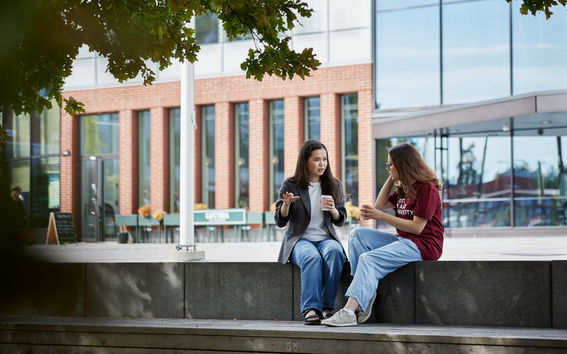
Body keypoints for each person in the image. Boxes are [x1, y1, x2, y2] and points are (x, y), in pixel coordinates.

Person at [322, 143, 443, 327]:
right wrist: (392, 177)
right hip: (405, 240)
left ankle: (349, 310)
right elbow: (380, 204)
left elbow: (418, 228)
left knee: (368, 259)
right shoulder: (405, 188)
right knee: (357, 235)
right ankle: (364, 291)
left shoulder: (426, 189)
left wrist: (381, 216)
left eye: (390, 165)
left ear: (403, 165)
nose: (388, 168)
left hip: (425, 245)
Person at [275, 140, 347, 325]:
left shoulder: (334, 184)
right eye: (317, 160)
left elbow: (341, 219)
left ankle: (326, 307)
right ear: (305, 161)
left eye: (325, 159)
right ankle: (311, 308)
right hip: (300, 240)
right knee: (311, 257)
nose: (322, 164)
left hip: (325, 237)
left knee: (334, 252)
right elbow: (280, 221)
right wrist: (286, 205)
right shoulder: (290, 184)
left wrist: (333, 210)